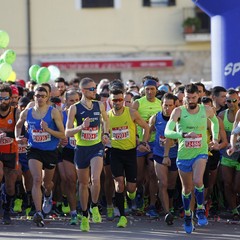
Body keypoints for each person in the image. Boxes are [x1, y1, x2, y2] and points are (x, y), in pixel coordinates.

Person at [165, 83, 219, 234]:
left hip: (200, 152)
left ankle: (200, 209)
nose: (191, 100)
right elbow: (167, 131)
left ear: (199, 97)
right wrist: (183, 135)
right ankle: (188, 216)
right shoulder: (178, 111)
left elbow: (214, 122)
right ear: (184, 98)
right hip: (183, 155)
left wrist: (214, 138)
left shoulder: (206, 110)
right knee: (187, 189)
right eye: (188, 98)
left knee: (198, 181)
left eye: (194, 97)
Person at [15, 86, 65, 227]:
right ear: (34, 97)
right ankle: (38, 212)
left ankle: (48, 195)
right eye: (38, 95)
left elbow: (62, 134)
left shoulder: (53, 112)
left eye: (43, 96)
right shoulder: (27, 112)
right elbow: (18, 125)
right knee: (36, 179)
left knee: (46, 183)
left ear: (48, 97)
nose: (40, 98)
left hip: (50, 151)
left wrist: (48, 129)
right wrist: (17, 137)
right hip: (34, 149)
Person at [65, 77, 109, 232]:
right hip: (81, 149)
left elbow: (106, 119)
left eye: (95, 88)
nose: (94, 91)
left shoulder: (99, 105)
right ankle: (84, 216)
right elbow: (67, 131)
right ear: (83, 91)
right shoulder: (75, 108)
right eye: (91, 89)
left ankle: (94, 206)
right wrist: (81, 127)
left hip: (96, 147)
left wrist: (106, 133)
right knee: (83, 184)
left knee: (95, 178)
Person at [108, 87, 150, 228]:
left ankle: (131, 195)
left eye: (121, 100)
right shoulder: (107, 116)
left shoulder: (132, 113)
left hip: (131, 153)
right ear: (110, 100)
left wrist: (143, 142)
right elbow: (104, 133)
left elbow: (146, 126)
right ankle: (122, 216)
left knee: (131, 188)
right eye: (115, 100)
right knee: (119, 184)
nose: (118, 102)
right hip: (115, 153)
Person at [132, 75, 161, 218]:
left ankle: (152, 204)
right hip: (139, 143)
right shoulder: (137, 103)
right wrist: (137, 140)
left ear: (156, 90)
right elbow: (130, 123)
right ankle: (139, 197)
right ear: (143, 90)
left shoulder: (161, 104)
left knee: (152, 174)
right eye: (147, 89)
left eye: (152, 89)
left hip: (154, 143)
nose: (150, 91)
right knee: (138, 176)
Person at [149, 93, 178, 225]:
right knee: (163, 183)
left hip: (175, 155)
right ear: (161, 105)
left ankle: (170, 207)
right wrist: (143, 143)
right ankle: (167, 212)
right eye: (165, 105)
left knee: (171, 185)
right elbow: (147, 131)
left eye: (170, 105)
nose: (167, 108)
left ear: (174, 106)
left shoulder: (179, 119)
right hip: (159, 154)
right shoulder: (156, 117)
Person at [59, 90, 80, 224]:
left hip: (84, 150)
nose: (74, 103)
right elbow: (56, 133)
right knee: (71, 181)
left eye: (76, 100)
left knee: (85, 183)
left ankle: (87, 209)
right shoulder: (61, 115)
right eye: (71, 100)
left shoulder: (85, 112)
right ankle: (73, 212)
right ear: (66, 101)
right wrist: (60, 139)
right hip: (67, 151)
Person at [219, 89, 240, 220]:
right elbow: (232, 133)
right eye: (228, 101)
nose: (231, 103)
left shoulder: (239, 113)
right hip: (227, 154)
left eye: (234, 100)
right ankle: (234, 210)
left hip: (239, 156)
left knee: (237, 186)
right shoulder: (221, 115)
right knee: (227, 184)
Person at [0, 84, 19, 224]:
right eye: (0, 98)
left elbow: (20, 132)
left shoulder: (15, 112)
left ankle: (7, 209)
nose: (3, 101)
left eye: (6, 98)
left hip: (11, 151)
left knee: (10, 185)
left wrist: (6, 133)